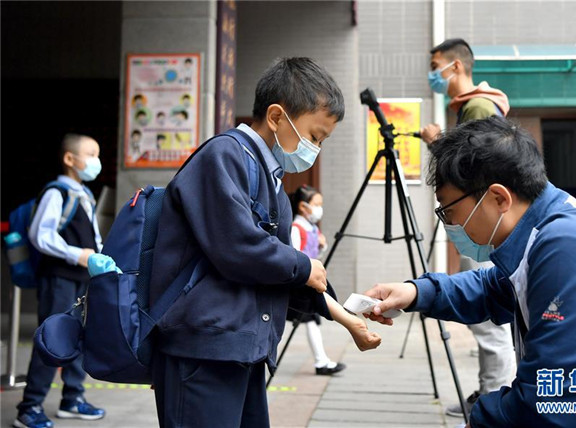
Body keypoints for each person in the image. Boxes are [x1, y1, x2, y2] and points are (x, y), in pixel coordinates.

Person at [364, 117, 576, 428]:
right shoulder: (546, 229)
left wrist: (480, 420)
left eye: (449, 210)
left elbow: (557, 403)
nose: (450, 224)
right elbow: (494, 287)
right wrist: (417, 292)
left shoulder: (567, 246)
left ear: (499, 198)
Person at [148, 57, 380, 428]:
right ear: (276, 117)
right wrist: (303, 266)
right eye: (314, 136)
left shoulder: (269, 177)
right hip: (204, 349)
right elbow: (239, 247)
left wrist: (348, 319)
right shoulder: (224, 156)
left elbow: (281, 271)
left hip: (243, 348)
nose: (315, 148)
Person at [422, 38, 516, 417]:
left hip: (481, 224)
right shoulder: (476, 105)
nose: (433, 75)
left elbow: (472, 170)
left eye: (436, 66)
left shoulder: (478, 106)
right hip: (482, 222)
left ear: (456, 66)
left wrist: (437, 144)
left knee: (490, 321)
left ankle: (494, 401)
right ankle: (490, 393)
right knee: (488, 318)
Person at [14, 134, 106, 428]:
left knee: (80, 337)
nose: (96, 161)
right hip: (59, 278)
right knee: (51, 339)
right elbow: (41, 235)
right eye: (90, 154)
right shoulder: (57, 193)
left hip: (83, 278)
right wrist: (76, 254)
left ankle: (72, 399)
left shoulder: (85, 194)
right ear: (69, 159)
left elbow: (94, 237)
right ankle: (30, 406)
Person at [287, 184, 346, 375]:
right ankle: (322, 362)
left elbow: (315, 256)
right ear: (303, 207)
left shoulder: (312, 229)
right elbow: (295, 256)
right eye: (316, 204)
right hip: (299, 285)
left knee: (311, 321)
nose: (319, 209)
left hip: (308, 283)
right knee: (310, 320)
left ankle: (322, 362)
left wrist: (322, 246)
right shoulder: (296, 228)